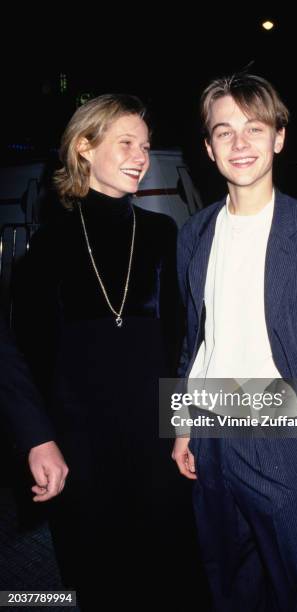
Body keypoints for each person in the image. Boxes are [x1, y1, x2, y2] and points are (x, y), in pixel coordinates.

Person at [172, 73, 297, 611]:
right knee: (225, 585)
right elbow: (196, 342)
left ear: (278, 137)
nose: (240, 143)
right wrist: (182, 424)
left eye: (254, 128)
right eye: (224, 131)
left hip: (285, 441)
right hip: (210, 433)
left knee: (285, 593)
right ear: (208, 149)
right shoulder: (195, 234)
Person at [12, 94, 181, 609]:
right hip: (80, 446)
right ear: (84, 147)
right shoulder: (48, 244)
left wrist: (184, 425)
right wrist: (38, 439)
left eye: (146, 146)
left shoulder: (162, 233)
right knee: (96, 574)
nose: (141, 156)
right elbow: (19, 352)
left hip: (156, 443)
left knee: (165, 573)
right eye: (126, 142)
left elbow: (182, 344)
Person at [0, 311, 68, 502]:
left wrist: (162, 428)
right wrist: (39, 438)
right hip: (75, 416)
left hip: (152, 415)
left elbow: (161, 343)